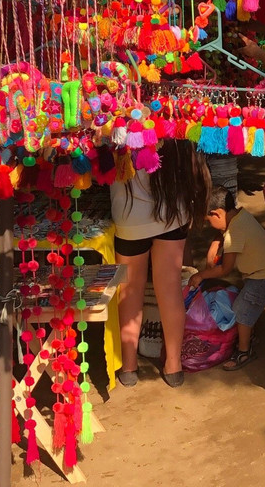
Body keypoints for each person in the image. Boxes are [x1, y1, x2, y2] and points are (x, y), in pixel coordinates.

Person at [111, 140, 211, 388]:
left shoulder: (115, 116)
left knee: (130, 290)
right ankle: (174, 367)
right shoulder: (170, 120)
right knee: (170, 289)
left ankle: (129, 366)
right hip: (171, 214)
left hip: (129, 217)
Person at [188, 188, 265, 370]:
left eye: (209, 221)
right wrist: (215, 244)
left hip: (263, 276)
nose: (210, 224)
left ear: (217, 213)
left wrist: (201, 275)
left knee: (241, 311)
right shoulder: (238, 216)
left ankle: (244, 351)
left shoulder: (234, 232)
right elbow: (225, 230)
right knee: (245, 305)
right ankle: (248, 335)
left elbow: (225, 268)